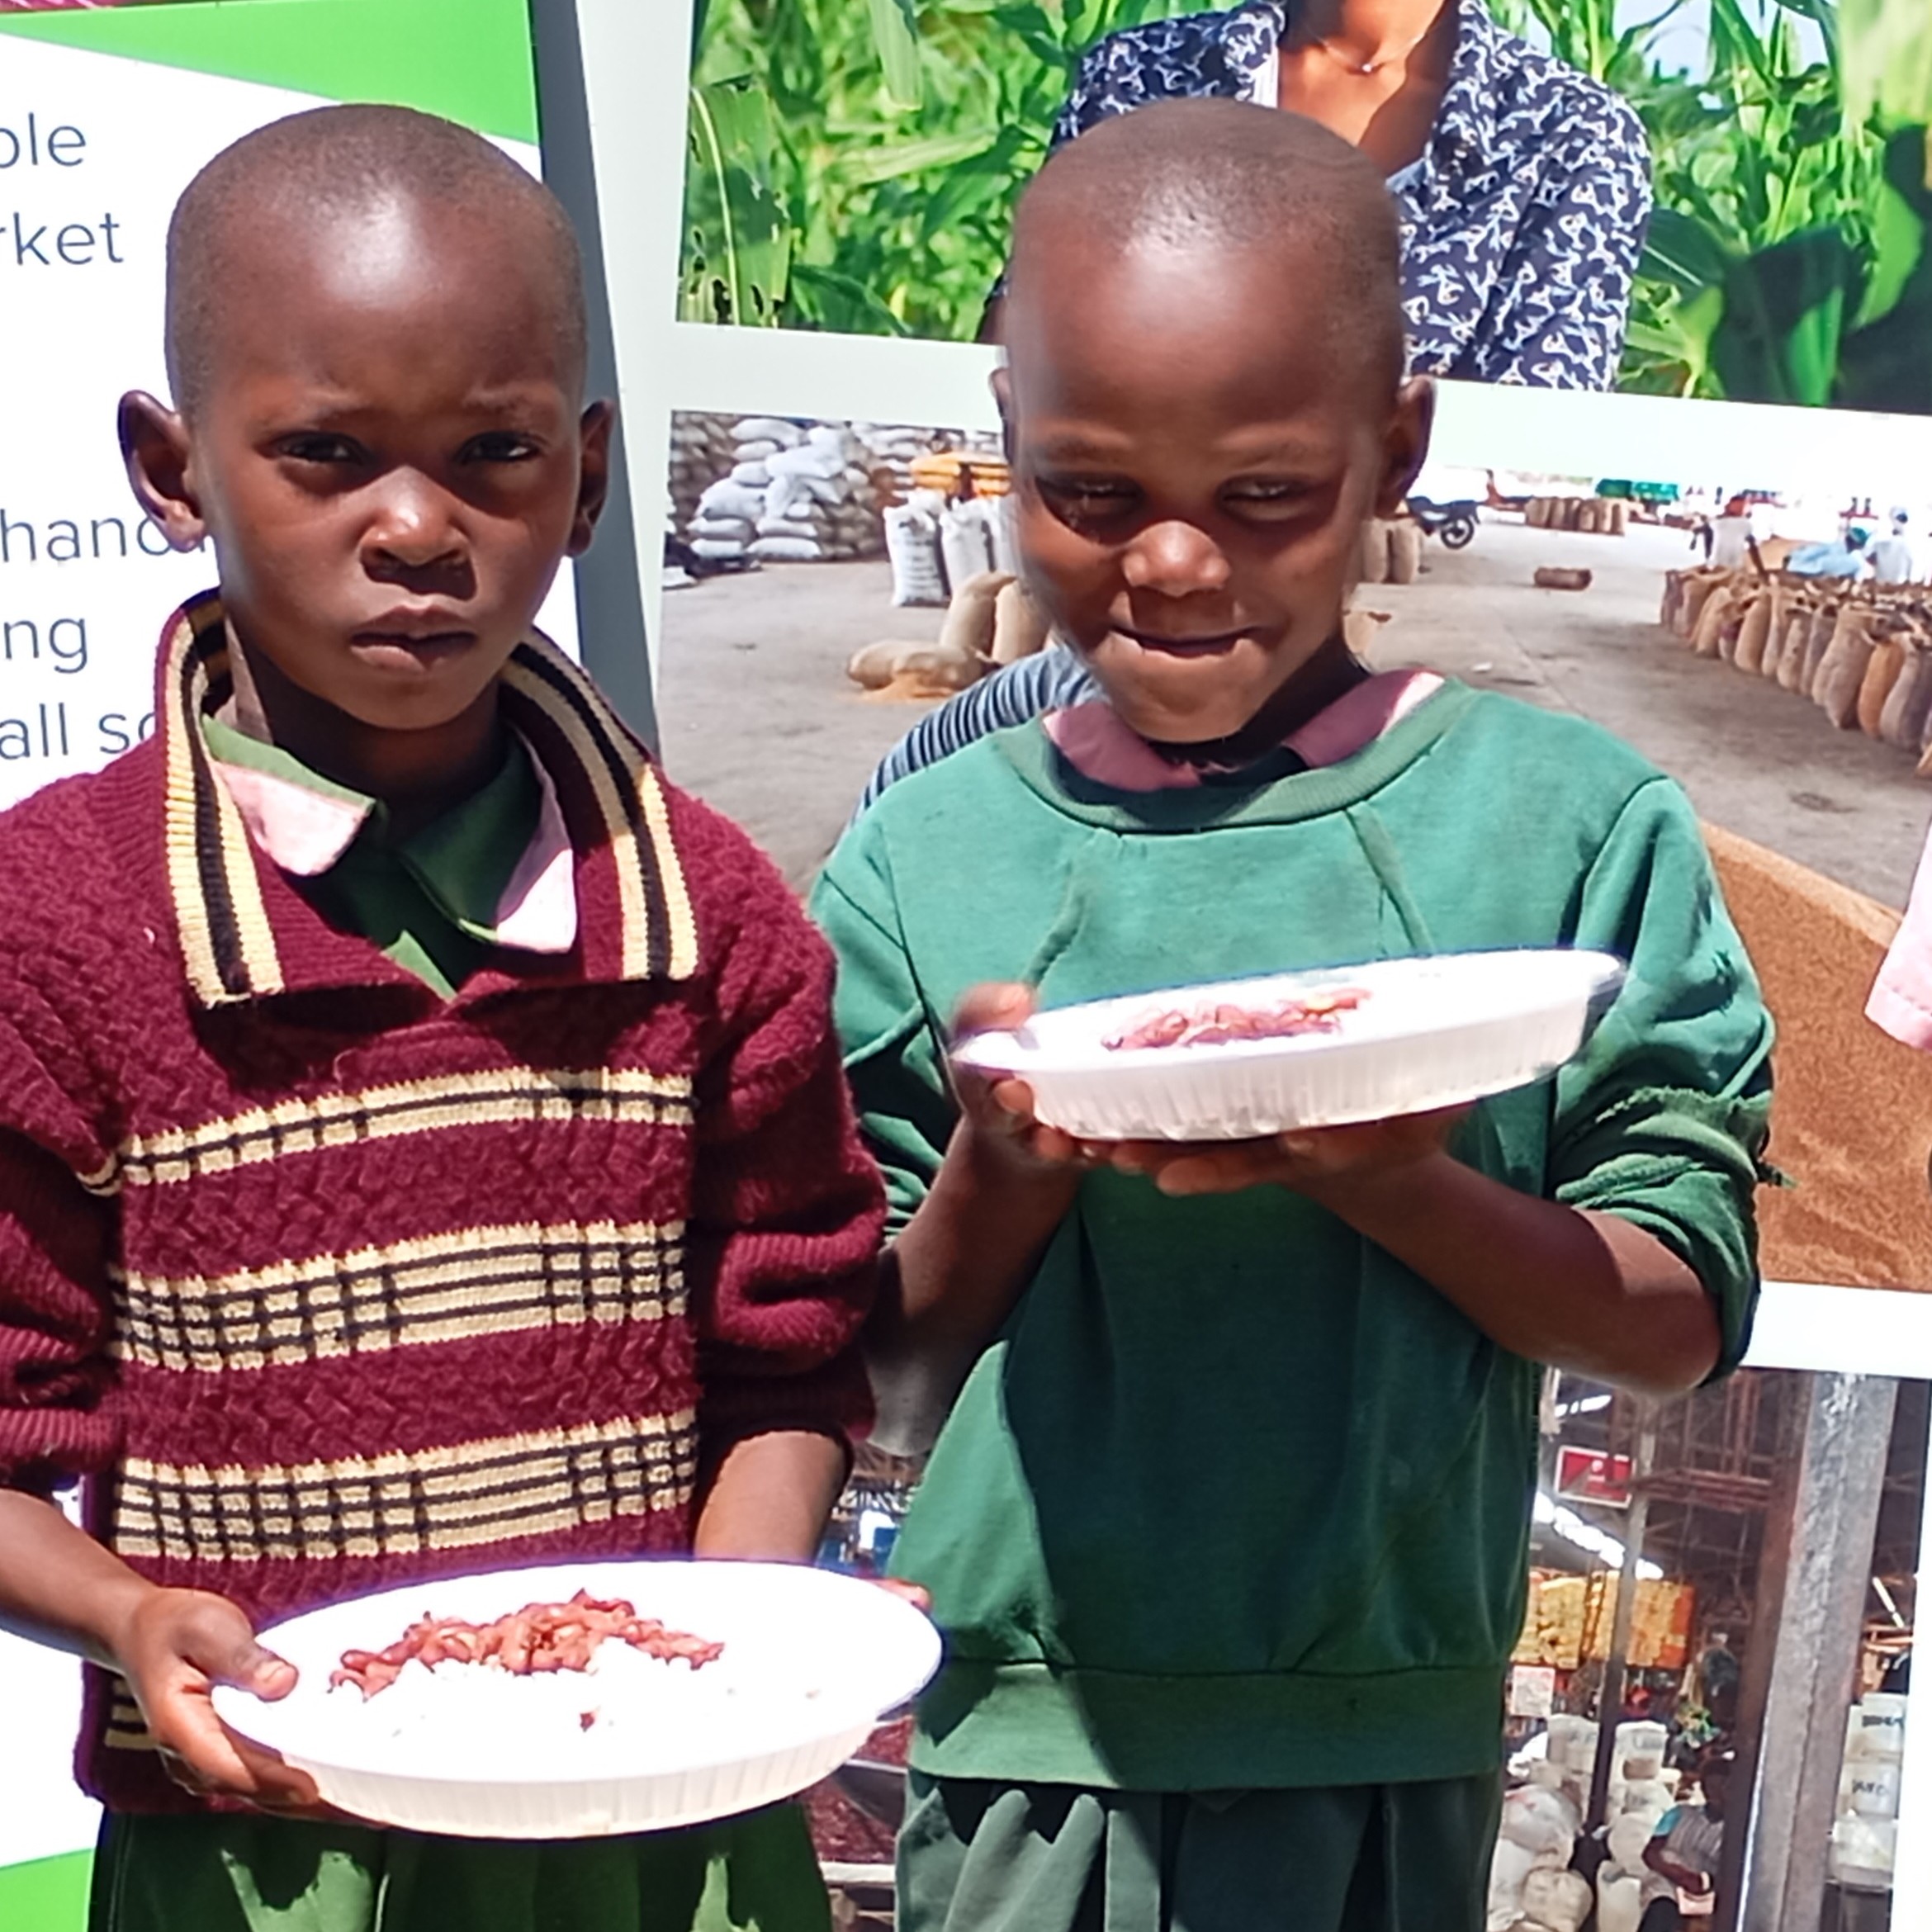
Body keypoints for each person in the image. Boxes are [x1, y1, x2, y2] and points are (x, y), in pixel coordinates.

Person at [813, 99, 1771, 1932]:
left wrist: (1388, 1173)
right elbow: (877, 1380)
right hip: (1029, 1761)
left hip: (1380, 1757)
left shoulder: (1568, 833)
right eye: (1093, 494)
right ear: (1008, 438)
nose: (1177, 564)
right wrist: (1005, 1167)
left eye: (1265, 495)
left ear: (1397, 443)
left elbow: (1671, 1323)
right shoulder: (920, 861)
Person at [0, 107, 885, 1932]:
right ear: (171, 470)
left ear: (588, 478)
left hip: (665, 1844)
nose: (416, 529)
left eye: (493, 455)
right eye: (326, 454)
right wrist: (125, 1617)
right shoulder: (57, 933)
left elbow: (788, 1362)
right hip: (267, 1857)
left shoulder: (706, 916)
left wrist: (737, 1633)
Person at [980, 0, 1653, 389]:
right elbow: (1021, 359)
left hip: (1429, 573)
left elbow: (1538, 440)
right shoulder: (1142, 79)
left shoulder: (1571, 135)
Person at [1639, 1753, 1730, 1929]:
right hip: (1666, 1883)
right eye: (1710, 1786)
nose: (1714, 1793)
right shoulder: (1679, 1813)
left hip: (1705, 1893)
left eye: (1721, 1787)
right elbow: (1650, 1853)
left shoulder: (1734, 1831)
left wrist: (1702, 1883)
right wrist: (1677, 1874)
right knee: (1661, 1912)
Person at [1868, 509, 1917, 585]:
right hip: (1894, 582)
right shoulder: (1903, 542)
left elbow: (1870, 557)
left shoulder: (1904, 541)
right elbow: (1910, 561)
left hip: (1884, 582)